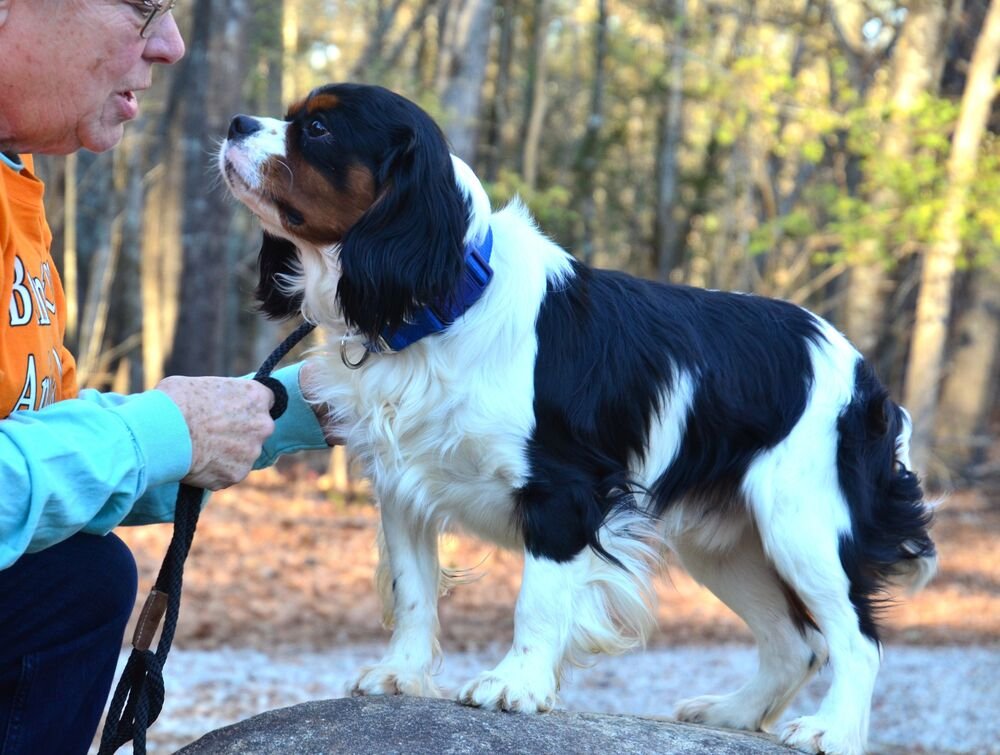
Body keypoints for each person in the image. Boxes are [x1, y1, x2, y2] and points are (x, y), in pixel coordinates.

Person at [0, 2, 332, 752]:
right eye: (141, 4)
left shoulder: (16, 189)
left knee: (70, 578)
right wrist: (162, 429)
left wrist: (294, 407)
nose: (172, 45)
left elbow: (45, 480)